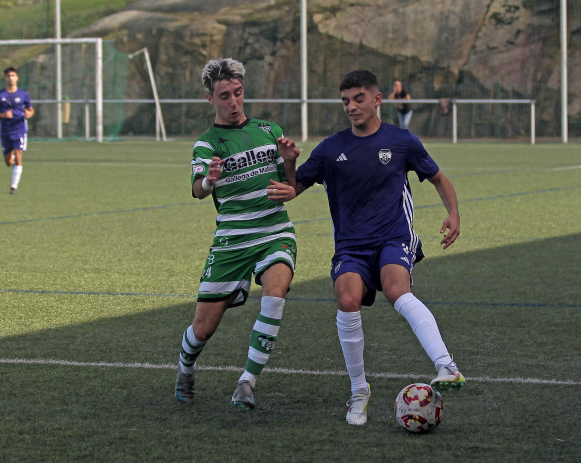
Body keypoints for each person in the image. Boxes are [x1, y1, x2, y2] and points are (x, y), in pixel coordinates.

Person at [292, 70, 465, 426]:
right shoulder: (330, 148)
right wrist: (287, 162)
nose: (351, 107)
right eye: (345, 101)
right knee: (347, 298)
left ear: (377, 99)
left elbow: (438, 178)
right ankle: (359, 391)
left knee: (396, 289)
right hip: (351, 246)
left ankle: (446, 366)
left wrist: (453, 213)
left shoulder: (402, 141)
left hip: (393, 237)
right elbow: (291, 187)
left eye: (357, 99)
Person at [175, 57, 300, 411]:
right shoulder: (207, 143)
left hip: (275, 230)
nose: (233, 103)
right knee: (203, 329)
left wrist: (289, 161)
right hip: (232, 240)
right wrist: (208, 180)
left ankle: (247, 382)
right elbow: (198, 189)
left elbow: (288, 187)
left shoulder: (269, 130)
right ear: (210, 99)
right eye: (225, 96)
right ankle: (185, 368)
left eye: (238, 93)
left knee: (275, 294)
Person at [0, 67, 34, 194]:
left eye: (13, 75)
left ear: (17, 78)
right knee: (9, 163)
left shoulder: (23, 94)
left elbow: (31, 109)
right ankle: (11, 158)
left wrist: (29, 114)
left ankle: (13, 186)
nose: (11, 78)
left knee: (19, 158)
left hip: (19, 129)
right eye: (8, 76)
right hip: (5, 130)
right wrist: (3, 115)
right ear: (5, 78)